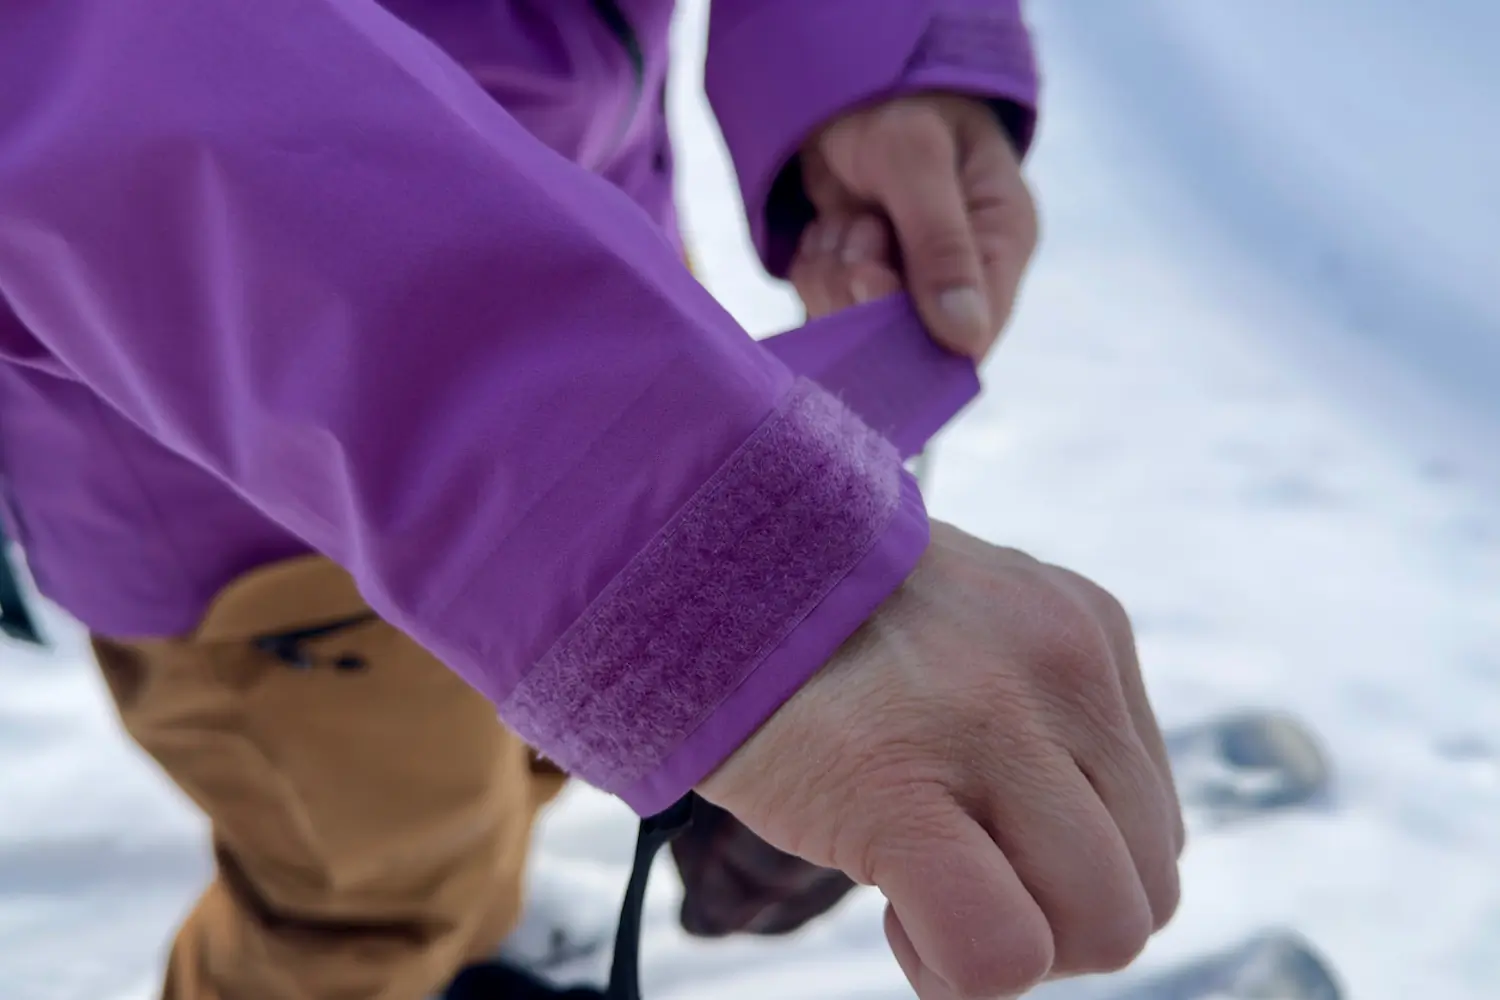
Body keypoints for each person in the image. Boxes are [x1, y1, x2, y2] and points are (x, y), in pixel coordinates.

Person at [0, 2, 1185, 999]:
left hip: (610, 285)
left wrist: (867, 55)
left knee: (504, 775)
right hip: (238, 504)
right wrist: (697, 551)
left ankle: (463, 926)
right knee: (360, 893)